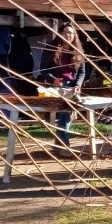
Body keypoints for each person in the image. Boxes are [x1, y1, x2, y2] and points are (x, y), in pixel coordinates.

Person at [38, 23, 86, 157]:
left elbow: (82, 71)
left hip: (72, 87)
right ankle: (65, 146)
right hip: (57, 86)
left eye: (71, 33)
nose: (68, 35)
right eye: (65, 32)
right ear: (60, 33)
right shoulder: (51, 49)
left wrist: (78, 85)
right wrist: (53, 79)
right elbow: (43, 69)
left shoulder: (77, 50)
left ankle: (58, 144)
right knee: (65, 113)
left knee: (65, 115)